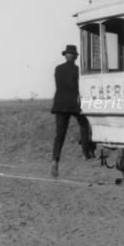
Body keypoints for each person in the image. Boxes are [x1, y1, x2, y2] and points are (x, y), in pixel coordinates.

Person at [51, 44, 95, 177]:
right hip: (74, 104)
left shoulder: (58, 69)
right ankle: (86, 152)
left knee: (60, 135)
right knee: (84, 124)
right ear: (75, 57)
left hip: (59, 104)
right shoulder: (78, 70)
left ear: (65, 56)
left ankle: (55, 160)